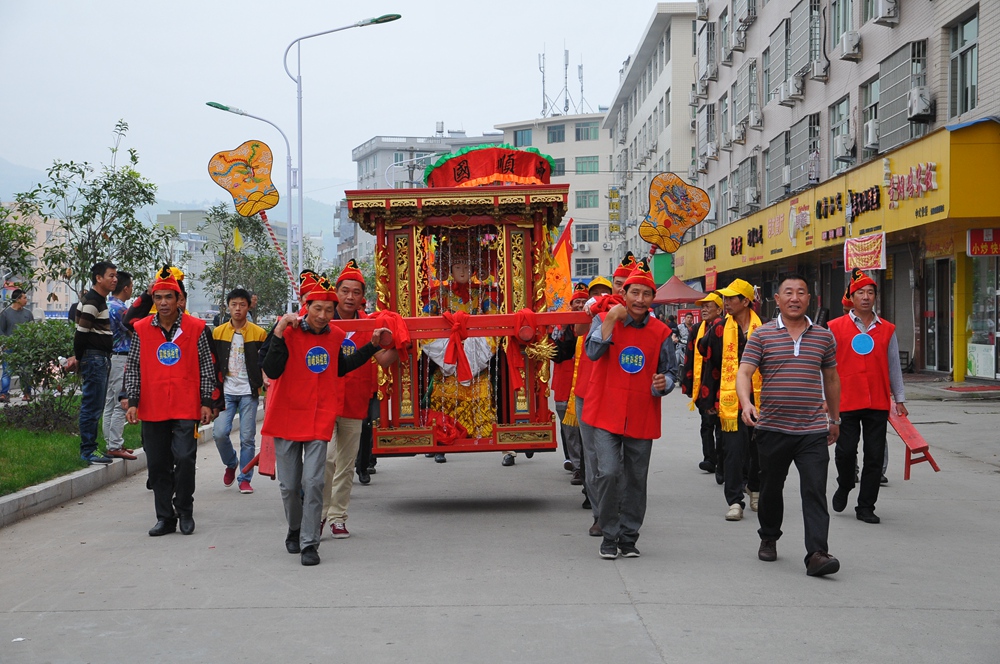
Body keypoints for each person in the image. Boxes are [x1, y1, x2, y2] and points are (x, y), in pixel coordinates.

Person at [261, 277, 390, 566]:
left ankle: (309, 542)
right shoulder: (287, 331)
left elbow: (342, 367)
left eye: (328, 310)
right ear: (306, 307)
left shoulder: (335, 337)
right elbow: (271, 368)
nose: (323, 316)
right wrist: (279, 333)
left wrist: (370, 348)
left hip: (318, 417)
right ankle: (294, 527)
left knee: (315, 481)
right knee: (290, 486)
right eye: (317, 309)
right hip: (286, 415)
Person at [737, 273, 842, 577]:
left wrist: (834, 419)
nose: (795, 298)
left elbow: (832, 379)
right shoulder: (762, 335)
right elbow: (744, 373)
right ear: (778, 299)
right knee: (771, 488)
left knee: (814, 490)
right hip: (772, 428)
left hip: (811, 430)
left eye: (801, 293)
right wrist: (746, 403)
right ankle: (769, 536)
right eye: (788, 293)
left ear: (810, 299)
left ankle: (817, 554)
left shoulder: (823, 336)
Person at [582, 258, 676, 559]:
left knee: (636, 478)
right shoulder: (605, 319)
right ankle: (608, 534)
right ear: (624, 295)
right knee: (607, 473)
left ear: (653, 299)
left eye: (646, 294)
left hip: (641, 412)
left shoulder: (661, 332)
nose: (639, 299)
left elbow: (672, 371)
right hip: (605, 413)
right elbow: (593, 352)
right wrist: (610, 319)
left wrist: (665, 383)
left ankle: (628, 536)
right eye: (634, 292)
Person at [122, 267, 220, 536]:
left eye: (169, 297)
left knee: (186, 458)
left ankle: (184, 509)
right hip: (152, 406)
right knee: (157, 464)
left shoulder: (196, 328)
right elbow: (133, 367)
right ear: (153, 301)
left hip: (186, 404)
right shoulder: (141, 329)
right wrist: (131, 400)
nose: (163, 302)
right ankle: (165, 517)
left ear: (179, 300)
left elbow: (206, 367)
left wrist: (206, 402)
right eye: (158, 298)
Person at [321, 260, 397, 539]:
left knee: (346, 464)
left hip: (355, 403)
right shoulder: (322, 321)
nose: (350, 297)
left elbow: (385, 360)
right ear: (336, 292)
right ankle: (319, 514)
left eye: (356, 292)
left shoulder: (369, 325)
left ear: (362, 296)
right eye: (345, 291)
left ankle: (338, 516)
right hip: (325, 402)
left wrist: (402, 344)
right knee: (326, 461)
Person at [828, 268, 908, 524]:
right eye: (860, 292)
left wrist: (900, 398)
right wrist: (824, 398)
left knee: (874, 455)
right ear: (851, 297)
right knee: (845, 452)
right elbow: (826, 367)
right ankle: (845, 484)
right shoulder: (834, 327)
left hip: (877, 401)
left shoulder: (887, 329)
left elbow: (894, 364)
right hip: (846, 401)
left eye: (870, 292)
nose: (865, 297)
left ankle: (866, 506)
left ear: (875, 297)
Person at [421, 238, 500, 464]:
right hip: (449, 354)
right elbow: (426, 318)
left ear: (474, 268)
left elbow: (493, 318)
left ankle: (480, 430)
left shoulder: (482, 294)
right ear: (448, 269)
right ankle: (442, 438)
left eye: (467, 266)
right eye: (457, 267)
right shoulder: (439, 296)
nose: (463, 271)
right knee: (443, 391)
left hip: (474, 352)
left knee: (482, 386)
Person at [701, 278, 763, 521]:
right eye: (724, 298)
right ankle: (735, 499)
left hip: (759, 399)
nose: (726, 302)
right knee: (733, 452)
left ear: (745, 301)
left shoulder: (765, 328)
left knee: (758, 450)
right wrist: (709, 401)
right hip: (729, 401)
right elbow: (710, 365)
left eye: (731, 298)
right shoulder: (719, 329)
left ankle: (755, 490)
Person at [212, 288, 267, 494]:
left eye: (242, 305)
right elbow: (213, 362)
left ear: (248, 306)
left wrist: (264, 381)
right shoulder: (218, 333)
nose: (237, 309)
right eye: (234, 304)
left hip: (248, 390)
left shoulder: (259, 333)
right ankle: (231, 462)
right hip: (225, 390)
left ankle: (245, 477)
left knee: (247, 437)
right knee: (219, 433)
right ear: (228, 306)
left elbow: (264, 362)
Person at [66, 262, 118, 465]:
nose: (115, 279)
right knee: (92, 406)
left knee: (95, 405)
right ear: (98, 278)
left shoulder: (98, 300)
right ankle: (88, 450)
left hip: (98, 358)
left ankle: (91, 448)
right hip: (94, 358)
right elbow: (81, 334)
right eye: (111, 276)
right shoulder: (92, 301)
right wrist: (79, 358)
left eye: (115, 276)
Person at [681, 291, 724, 476]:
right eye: (702, 306)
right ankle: (709, 459)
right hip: (703, 384)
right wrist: (688, 385)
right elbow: (689, 356)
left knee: (722, 426)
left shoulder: (727, 328)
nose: (704, 309)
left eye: (708, 306)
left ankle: (722, 462)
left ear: (719, 309)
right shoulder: (696, 329)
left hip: (722, 385)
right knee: (706, 423)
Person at [551, 282, 590, 483]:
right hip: (564, 385)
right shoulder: (561, 325)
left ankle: (584, 466)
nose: (580, 305)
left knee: (586, 429)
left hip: (587, 385)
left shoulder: (593, 324)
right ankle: (576, 465)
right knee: (569, 429)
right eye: (577, 301)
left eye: (584, 301)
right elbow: (554, 354)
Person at [101, 272, 136, 460]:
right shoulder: (120, 309)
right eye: (131, 286)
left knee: (109, 403)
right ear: (125, 288)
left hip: (111, 357)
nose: (132, 289)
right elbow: (133, 331)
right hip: (122, 358)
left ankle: (112, 442)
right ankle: (114, 445)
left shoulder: (107, 305)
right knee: (120, 403)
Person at [1, 288, 35, 403]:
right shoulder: (5, 313)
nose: (26, 300)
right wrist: (5, 344)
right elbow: (1, 331)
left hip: (25, 348)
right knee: (7, 371)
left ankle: (27, 393)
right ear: (17, 299)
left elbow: (33, 331)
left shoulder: (28, 314)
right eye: (24, 298)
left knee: (25, 371)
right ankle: (4, 394)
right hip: (9, 347)